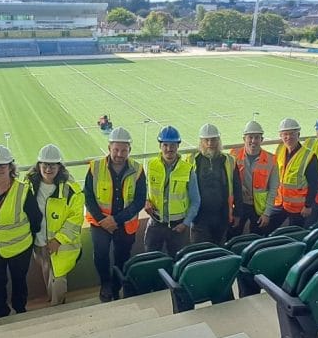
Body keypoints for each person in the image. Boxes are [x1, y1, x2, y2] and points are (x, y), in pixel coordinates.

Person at [84, 127, 147, 302]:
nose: (119, 154)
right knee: (101, 254)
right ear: (109, 148)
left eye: (123, 150)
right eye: (116, 149)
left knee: (123, 256)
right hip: (100, 223)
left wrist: (116, 220)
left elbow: (139, 201)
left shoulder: (138, 169)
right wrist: (102, 220)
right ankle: (105, 284)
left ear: (129, 150)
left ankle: (117, 286)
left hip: (125, 223)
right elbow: (88, 196)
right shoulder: (95, 168)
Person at [0, 145, 36, 318]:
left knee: (19, 281)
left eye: (2, 166)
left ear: (11, 167)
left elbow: (35, 219)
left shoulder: (23, 189)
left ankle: (20, 310)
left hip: (19, 248)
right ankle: (1, 313)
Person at [23, 144, 84, 306]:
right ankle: (52, 301)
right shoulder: (29, 184)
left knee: (58, 277)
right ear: (39, 165)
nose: (48, 169)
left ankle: (57, 307)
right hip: (38, 241)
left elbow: (75, 219)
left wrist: (58, 240)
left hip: (60, 244)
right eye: (44, 165)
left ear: (59, 166)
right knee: (46, 272)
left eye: (52, 165)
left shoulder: (71, 190)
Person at [144, 126, 200, 258]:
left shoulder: (188, 170)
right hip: (155, 222)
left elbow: (196, 200)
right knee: (150, 259)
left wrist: (185, 223)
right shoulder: (151, 165)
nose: (169, 149)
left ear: (178, 146)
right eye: (165, 145)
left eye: (173, 145)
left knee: (177, 261)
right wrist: (145, 201)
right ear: (160, 146)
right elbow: (145, 190)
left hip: (178, 227)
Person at [186, 123, 237, 245]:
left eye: (213, 139)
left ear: (218, 141)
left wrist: (238, 213)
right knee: (199, 251)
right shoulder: (192, 160)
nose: (210, 143)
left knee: (217, 250)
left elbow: (236, 187)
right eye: (206, 140)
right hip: (199, 217)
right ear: (201, 142)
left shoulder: (228, 160)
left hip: (221, 215)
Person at [266, 118, 318, 235]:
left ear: (298, 134)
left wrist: (308, 206)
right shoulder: (280, 149)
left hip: (298, 207)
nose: (288, 137)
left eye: (291, 134)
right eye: (285, 134)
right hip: (280, 202)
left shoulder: (309, 156)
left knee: (294, 233)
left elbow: (314, 183)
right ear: (281, 136)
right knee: (267, 229)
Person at [229, 120, 279, 238]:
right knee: (233, 234)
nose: (253, 141)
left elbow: (273, 189)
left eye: (257, 137)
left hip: (259, 208)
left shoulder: (271, 160)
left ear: (261, 139)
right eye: (250, 137)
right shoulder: (233, 155)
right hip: (239, 204)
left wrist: (267, 214)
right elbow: (229, 180)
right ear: (244, 139)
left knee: (258, 237)